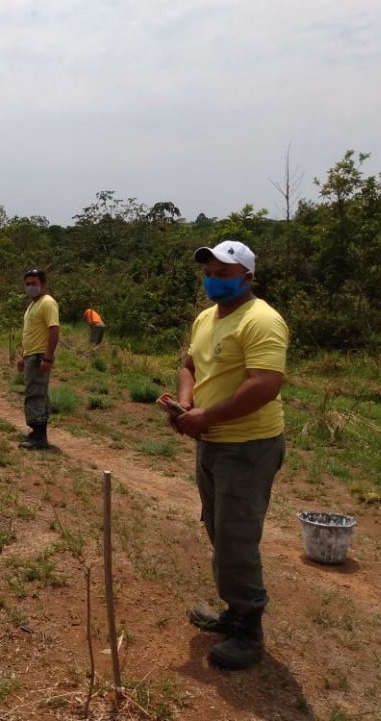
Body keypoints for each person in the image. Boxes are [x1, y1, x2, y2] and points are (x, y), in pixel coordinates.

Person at [171, 240, 288, 670]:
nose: (213, 280)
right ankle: (234, 610)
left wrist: (208, 416)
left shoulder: (262, 321)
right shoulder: (206, 318)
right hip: (213, 441)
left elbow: (265, 385)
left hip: (248, 445)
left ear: (246, 277)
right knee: (219, 528)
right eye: (210, 272)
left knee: (237, 537)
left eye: (224, 273)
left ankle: (249, 632)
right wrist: (187, 406)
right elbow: (189, 366)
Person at [16, 268, 60, 450]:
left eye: (33, 284)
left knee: (36, 394)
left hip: (39, 355)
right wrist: (22, 355)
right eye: (27, 284)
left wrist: (47, 358)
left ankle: (39, 437)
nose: (30, 287)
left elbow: (54, 330)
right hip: (31, 355)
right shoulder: (33, 305)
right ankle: (36, 432)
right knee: (35, 393)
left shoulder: (47, 303)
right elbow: (31, 333)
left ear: (43, 284)